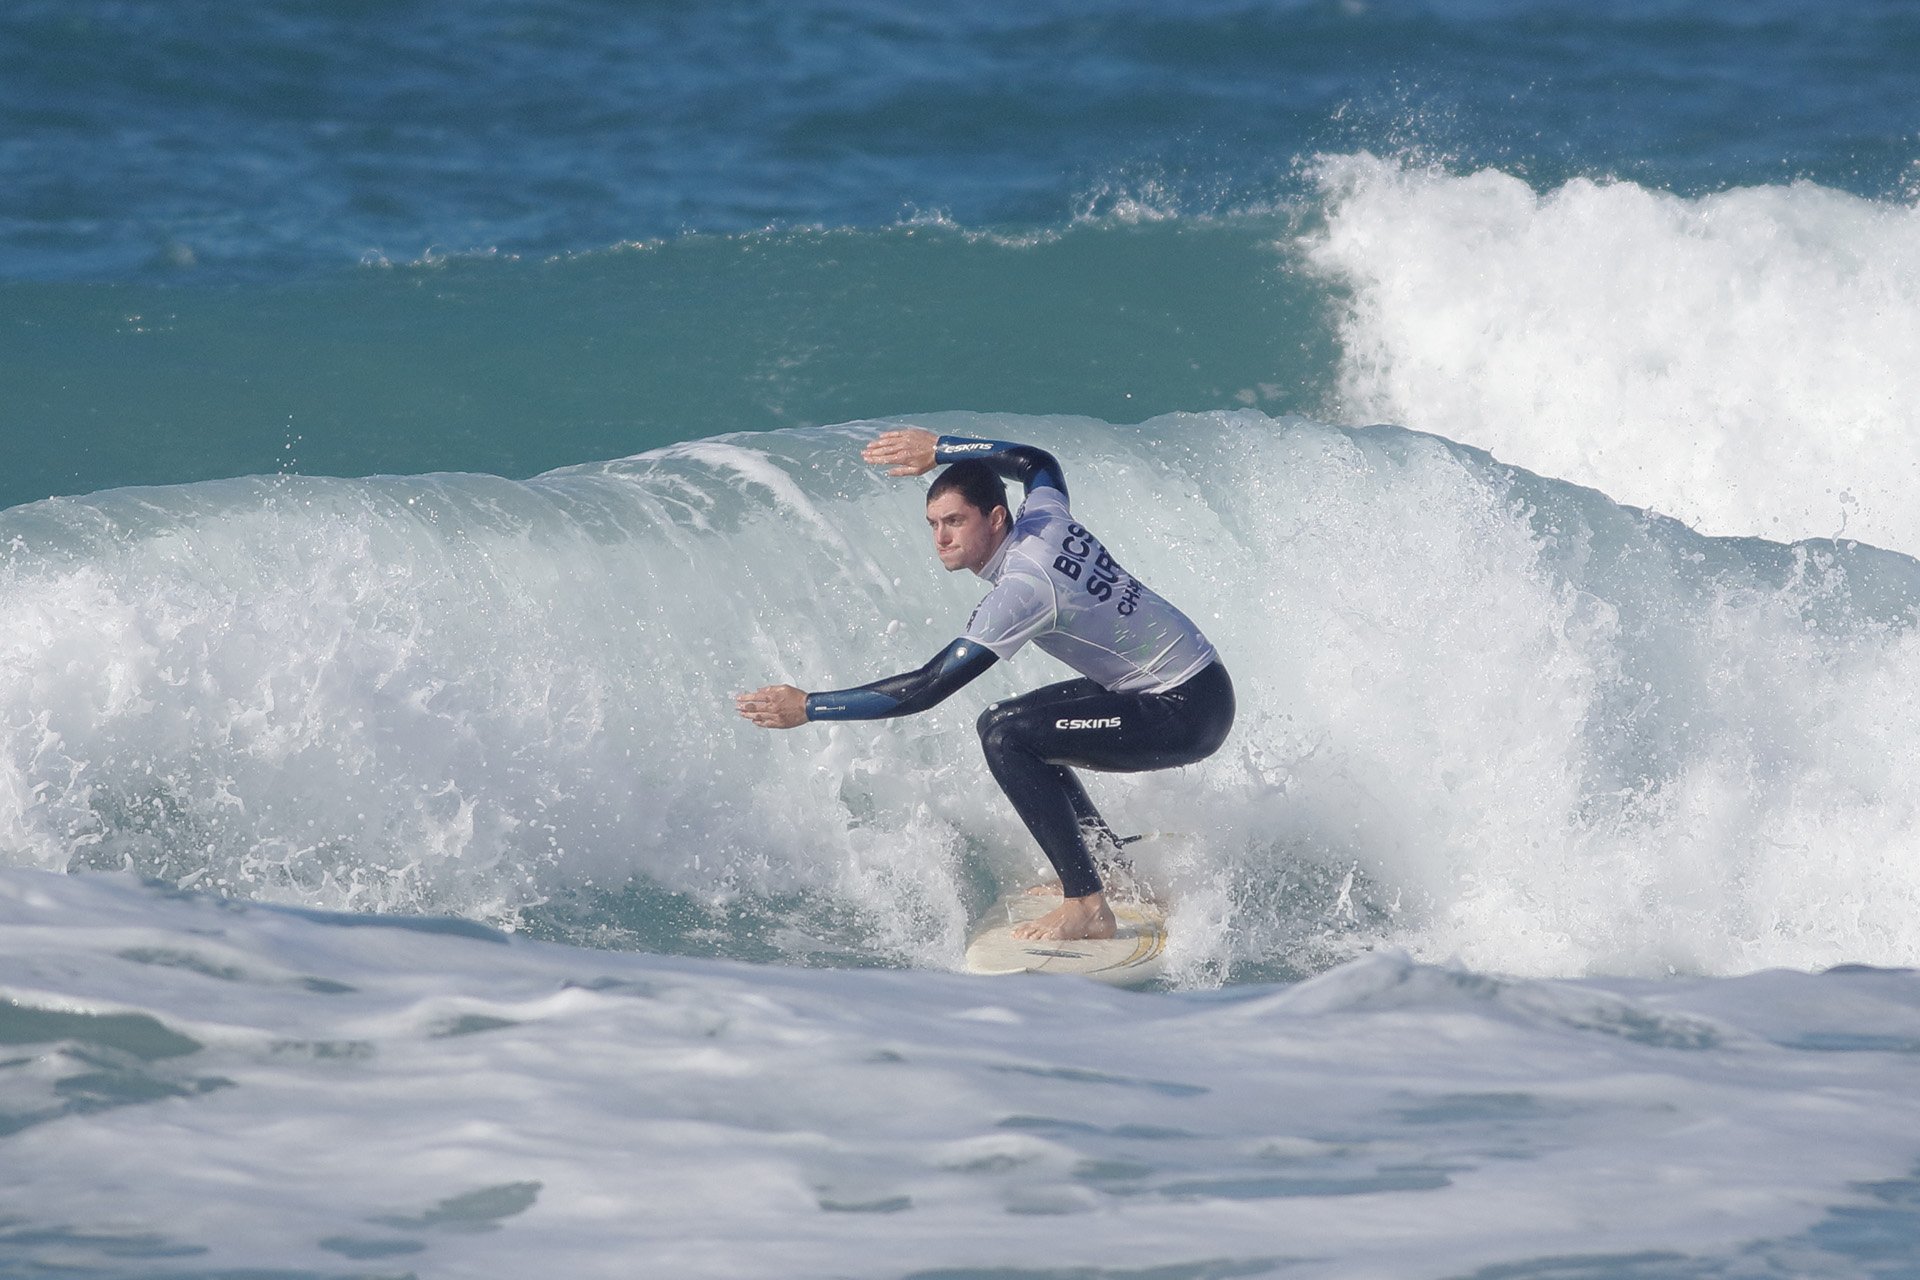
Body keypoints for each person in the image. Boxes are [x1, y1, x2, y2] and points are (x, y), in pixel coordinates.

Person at [735, 427, 1234, 942]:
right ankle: (1108, 873)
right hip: (1189, 682)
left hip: (1185, 711)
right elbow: (1036, 458)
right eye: (933, 524)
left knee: (1009, 739)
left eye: (955, 521)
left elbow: (926, 687)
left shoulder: (1024, 585)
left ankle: (1087, 904)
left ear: (997, 518)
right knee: (999, 722)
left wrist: (811, 706)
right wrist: (940, 449)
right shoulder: (1045, 518)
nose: (942, 538)